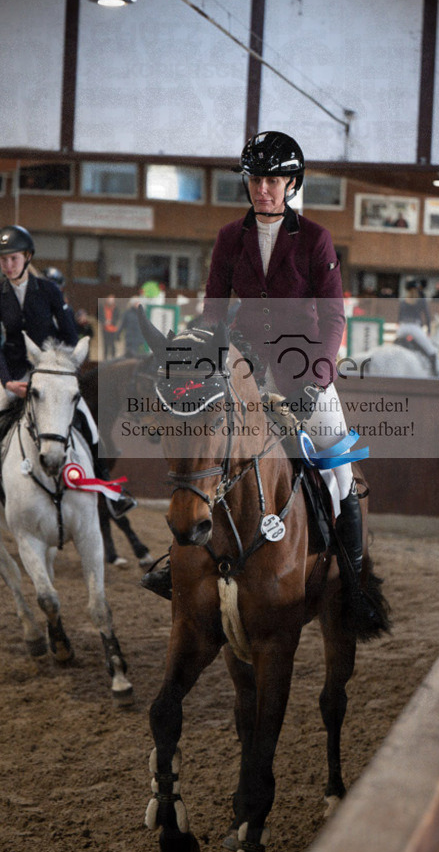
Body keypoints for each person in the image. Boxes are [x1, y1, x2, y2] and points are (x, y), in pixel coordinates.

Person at [144, 131, 372, 619]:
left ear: (291, 183)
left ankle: (350, 578)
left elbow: (333, 318)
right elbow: (213, 313)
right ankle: (180, 563)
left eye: (272, 179)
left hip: (302, 371)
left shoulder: (315, 239)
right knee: (205, 455)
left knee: (339, 468)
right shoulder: (230, 238)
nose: (262, 188)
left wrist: (319, 378)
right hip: (241, 368)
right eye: (255, 179)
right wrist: (200, 358)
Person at [0, 225, 136, 528]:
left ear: (27, 257)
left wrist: (58, 366)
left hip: (49, 371)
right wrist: (8, 380)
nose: (8, 265)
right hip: (12, 372)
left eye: (14, 259)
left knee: (89, 425)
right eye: (3, 260)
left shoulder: (48, 290)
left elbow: (70, 334)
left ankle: (111, 494)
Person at [99, 294, 120, 359]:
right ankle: (105, 358)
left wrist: (111, 321)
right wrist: (104, 322)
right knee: (105, 345)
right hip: (105, 329)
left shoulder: (116, 308)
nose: (111, 301)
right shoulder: (102, 307)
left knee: (113, 345)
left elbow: (117, 318)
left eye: (112, 300)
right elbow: (100, 316)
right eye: (109, 299)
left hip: (113, 329)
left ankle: (113, 358)